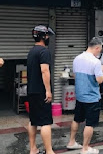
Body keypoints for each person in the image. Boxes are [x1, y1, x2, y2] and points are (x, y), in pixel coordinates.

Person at [67, 37, 103, 154]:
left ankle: (71, 142)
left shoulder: (77, 58)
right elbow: (99, 80)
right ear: (97, 47)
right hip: (92, 97)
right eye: (100, 50)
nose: (100, 52)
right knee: (90, 123)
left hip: (80, 95)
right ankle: (85, 148)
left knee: (77, 119)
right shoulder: (96, 62)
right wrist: (102, 70)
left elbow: (75, 75)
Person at [27, 25, 55, 154]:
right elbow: (45, 71)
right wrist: (48, 90)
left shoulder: (32, 51)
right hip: (41, 91)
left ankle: (33, 149)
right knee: (45, 122)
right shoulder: (44, 51)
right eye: (47, 35)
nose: (48, 37)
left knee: (33, 121)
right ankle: (49, 151)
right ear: (43, 36)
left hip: (31, 90)